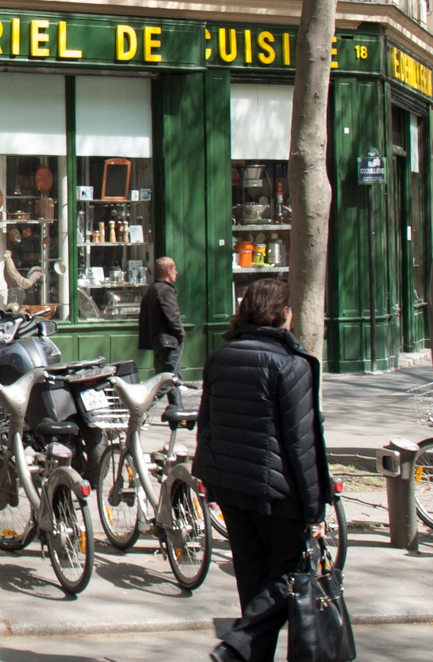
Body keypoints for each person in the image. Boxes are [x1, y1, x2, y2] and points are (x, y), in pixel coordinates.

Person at [193, 278, 335, 662]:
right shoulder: (291, 364)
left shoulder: (222, 356)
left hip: (233, 487)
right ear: (284, 313)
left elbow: (206, 424)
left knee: (254, 584)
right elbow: (302, 443)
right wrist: (315, 508)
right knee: (289, 574)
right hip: (278, 492)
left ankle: (245, 653)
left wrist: (209, 476)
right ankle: (238, 646)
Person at [138, 256, 187, 407]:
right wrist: (181, 333)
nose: (176, 273)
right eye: (174, 269)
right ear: (168, 271)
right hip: (169, 340)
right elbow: (172, 316)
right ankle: (142, 408)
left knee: (172, 377)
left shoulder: (152, 288)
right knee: (168, 380)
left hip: (159, 340)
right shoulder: (165, 290)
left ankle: (177, 412)